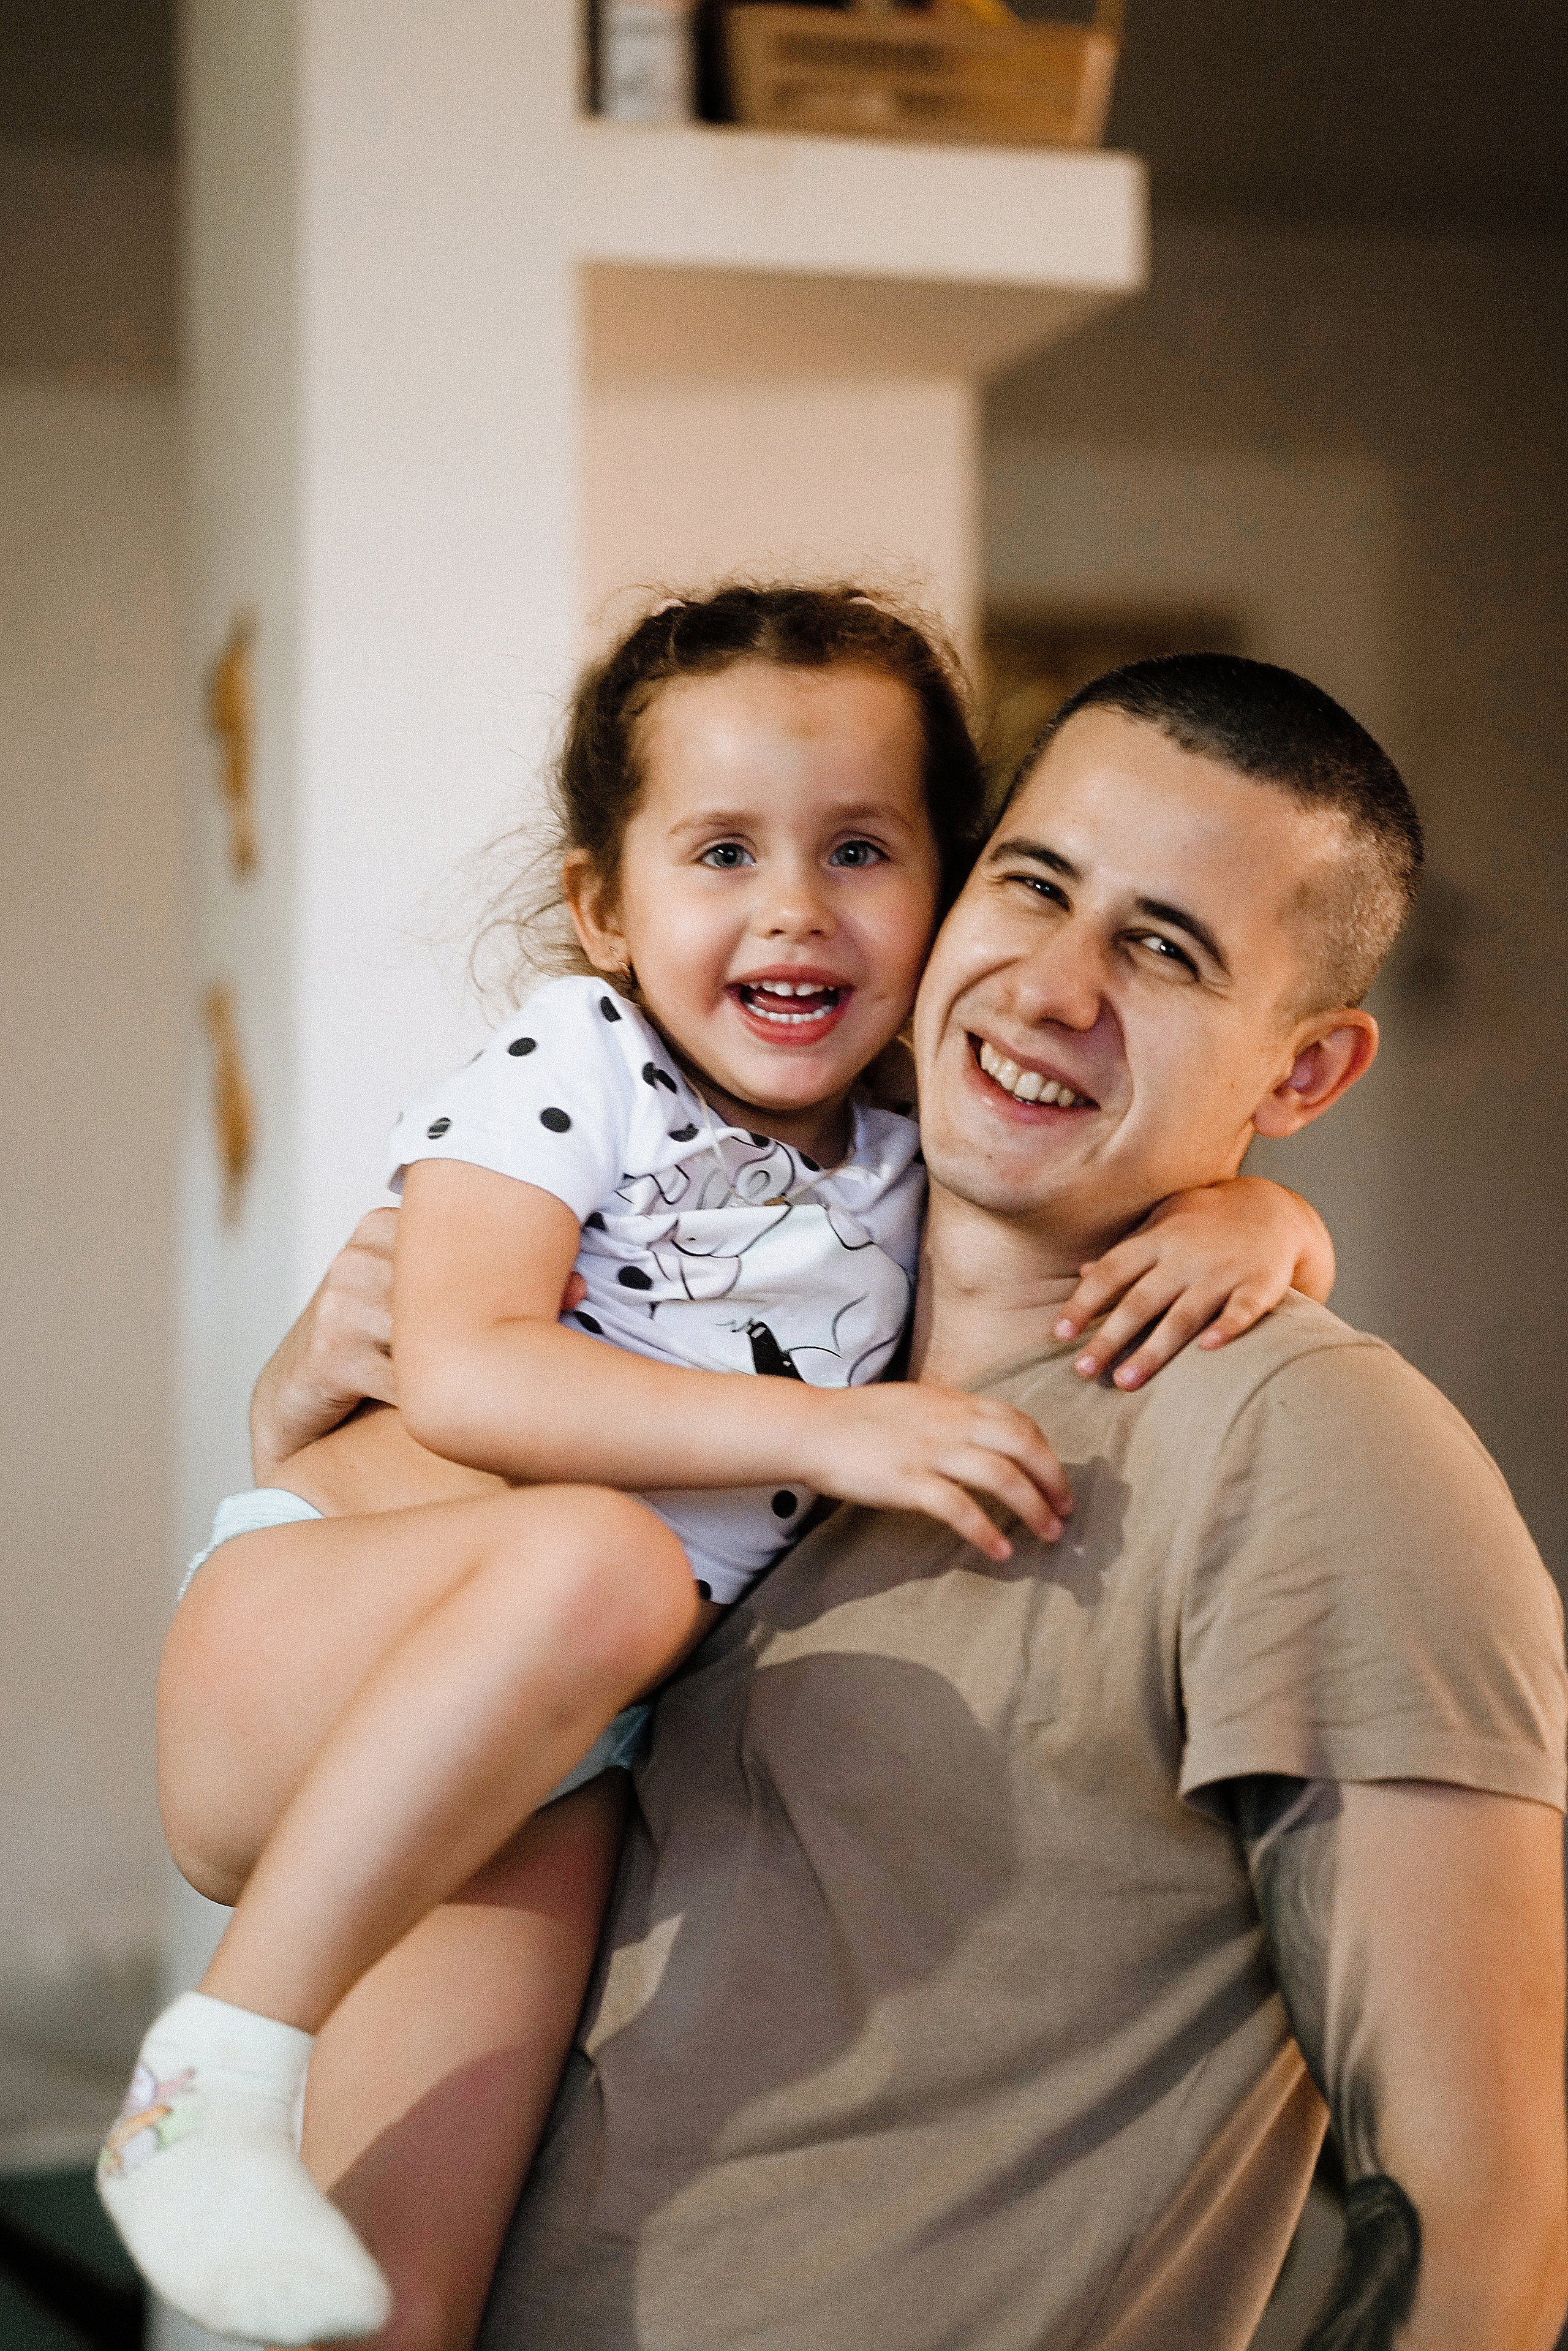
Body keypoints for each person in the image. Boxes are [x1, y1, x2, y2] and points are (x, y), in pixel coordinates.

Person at [262, 651, 1568, 2351]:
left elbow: (1487, 2223)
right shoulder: (745, 1351)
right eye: (1034, 887)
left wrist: (1276, 1230)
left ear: (1302, 1077)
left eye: (1165, 951)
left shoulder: (1314, 1454)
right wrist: (293, 1423)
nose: (1051, 987)